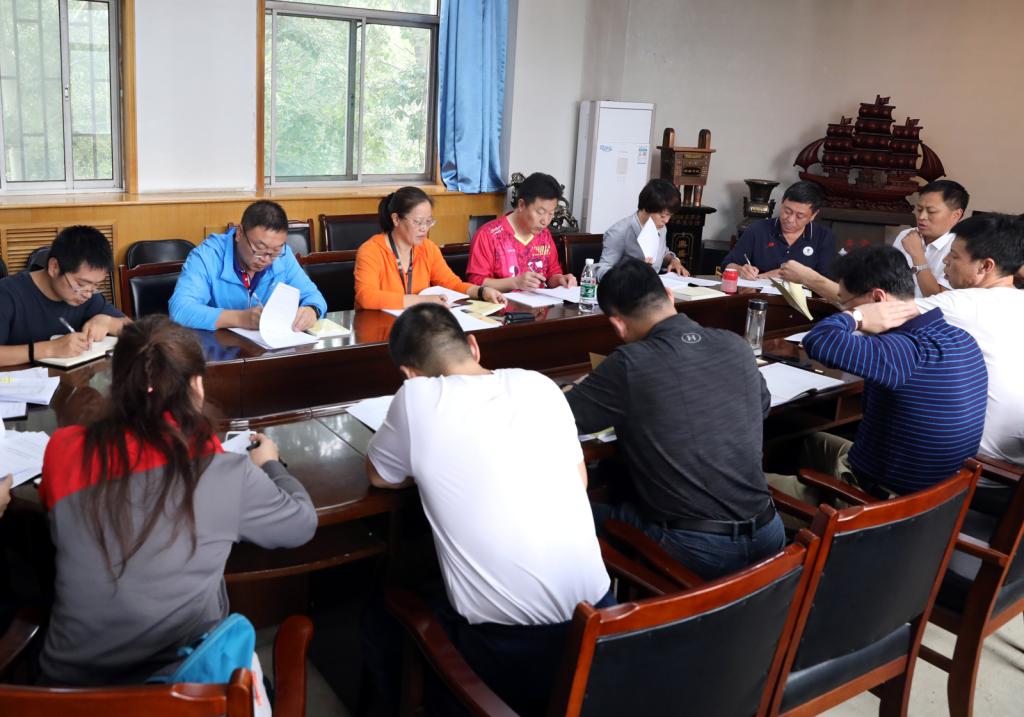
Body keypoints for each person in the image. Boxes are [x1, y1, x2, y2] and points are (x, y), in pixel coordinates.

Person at [37, 316, 317, 685]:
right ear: (196, 385)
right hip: (183, 688)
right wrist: (270, 464)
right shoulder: (222, 470)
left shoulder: (63, 448)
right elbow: (301, 524)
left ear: (116, 383)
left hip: (65, 694)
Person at [363, 303, 611, 715]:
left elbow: (379, 475)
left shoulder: (415, 398)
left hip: (511, 653)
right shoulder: (540, 385)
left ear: (409, 374)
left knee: (381, 614)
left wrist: (429, 464)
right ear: (474, 346)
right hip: (604, 630)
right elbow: (580, 481)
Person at [565, 258, 784, 579]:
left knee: (569, 513)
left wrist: (577, 386)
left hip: (696, 549)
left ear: (618, 325)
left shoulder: (629, 363)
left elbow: (560, 417)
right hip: (770, 535)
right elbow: (760, 408)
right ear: (670, 295)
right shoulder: (735, 345)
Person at [770, 246, 987, 502]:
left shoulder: (900, 351)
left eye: (846, 303)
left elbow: (818, 341)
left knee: (735, 488)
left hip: (883, 504)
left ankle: (807, 516)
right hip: (941, 497)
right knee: (808, 441)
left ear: (877, 298)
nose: (844, 310)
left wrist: (857, 317)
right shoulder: (961, 338)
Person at [915, 214, 1024, 512]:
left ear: (985, 266)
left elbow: (877, 312)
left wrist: (811, 279)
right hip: (1013, 478)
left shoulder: (963, 304)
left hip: (974, 476)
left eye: (954, 256)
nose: (945, 262)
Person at [779, 179, 969, 300]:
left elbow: (938, 301)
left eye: (931, 211)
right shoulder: (907, 235)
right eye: (919, 210)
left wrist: (918, 257)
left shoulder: (960, 248)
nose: (922, 217)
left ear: (956, 215)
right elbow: (885, 281)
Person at [169, 200, 327, 331]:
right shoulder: (207, 256)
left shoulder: (283, 256)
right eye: (259, 249)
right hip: (218, 351)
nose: (266, 259)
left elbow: (313, 296)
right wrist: (240, 318)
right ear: (239, 233)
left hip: (269, 349)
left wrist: (311, 311)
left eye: (275, 251)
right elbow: (180, 310)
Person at [353, 187, 504, 310]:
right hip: (378, 327)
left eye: (428, 222)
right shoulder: (371, 251)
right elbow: (366, 297)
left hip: (416, 324)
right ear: (396, 219)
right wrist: (423, 300)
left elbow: (452, 284)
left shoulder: (428, 248)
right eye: (418, 222)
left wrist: (481, 291)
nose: (424, 228)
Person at [0, 225, 129, 368]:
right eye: (81, 284)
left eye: (96, 285)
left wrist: (109, 322)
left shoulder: (89, 295)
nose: (87, 294)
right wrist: (50, 349)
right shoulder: (7, 293)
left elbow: (134, 329)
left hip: (73, 379)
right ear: (54, 267)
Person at [466, 172, 578, 291]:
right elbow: (476, 283)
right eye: (540, 212)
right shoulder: (489, 235)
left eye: (551, 213)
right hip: (501, 302)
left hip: (539, 302)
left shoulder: (544, 235)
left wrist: (560, 280)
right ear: (521, 205)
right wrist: (515, 283)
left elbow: (552, 274)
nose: (545, 221)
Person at [721, 180, 836, 280]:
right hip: (758, 296)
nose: (790, 219)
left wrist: (793, 276)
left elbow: (826, 281)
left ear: (813, 215)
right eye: (787, 211)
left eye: (799, 216)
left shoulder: (823, 236)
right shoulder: (757, 229)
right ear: (782, 203)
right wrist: (741, 270)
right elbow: (727, 265)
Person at [594, 178, 689, 280]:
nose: (666, 220)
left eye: (670, 215)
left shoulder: (661, 227)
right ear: (647, 208)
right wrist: (633, 271)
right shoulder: (619, 232)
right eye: (662, 216)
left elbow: (662, 252)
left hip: (654, 285)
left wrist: (673, 260)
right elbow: (601, 270)